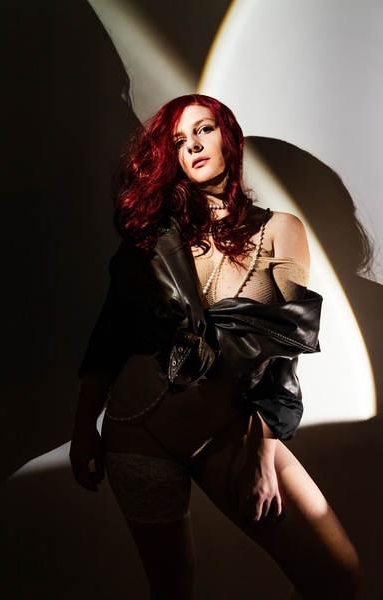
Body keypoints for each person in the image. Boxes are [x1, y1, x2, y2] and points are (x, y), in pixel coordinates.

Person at [70, 94, 361, 599]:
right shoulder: (152, 238)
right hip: (136, 432)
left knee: (337, 577)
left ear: (229, 137)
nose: (193, 145)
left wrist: (262, 457)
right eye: (179, 141)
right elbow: (110, 337)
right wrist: (82, 430)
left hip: (227, 434)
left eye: (204, 130)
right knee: (172, 588)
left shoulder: (280, 231)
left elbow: (283, 347)